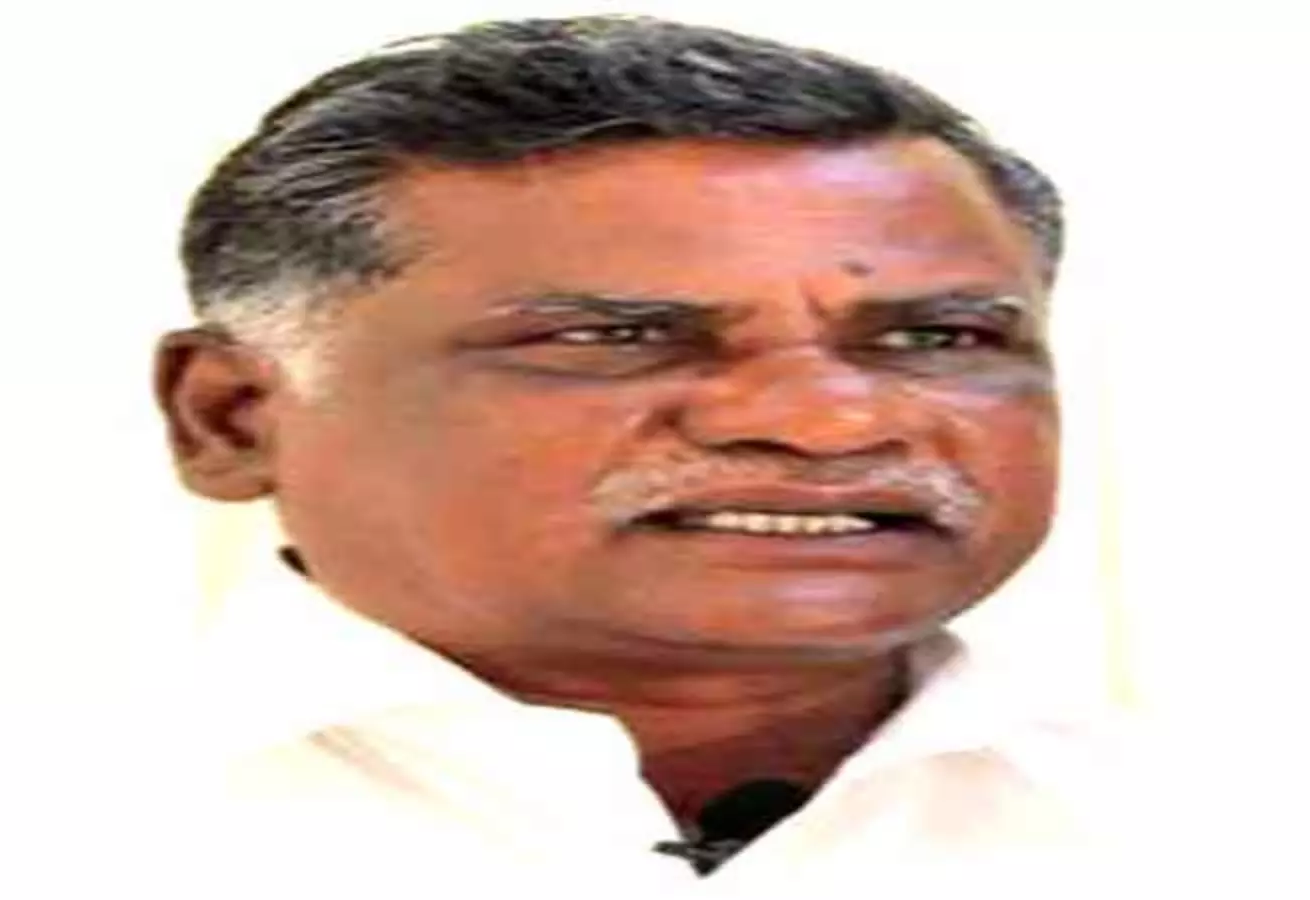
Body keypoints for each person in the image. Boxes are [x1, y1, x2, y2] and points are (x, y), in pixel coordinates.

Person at [146, 14, 1150, 897]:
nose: (826, 424)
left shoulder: (1199, 827)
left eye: (937, 338)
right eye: (616, 337)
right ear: (231, 419)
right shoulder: (81, 829)